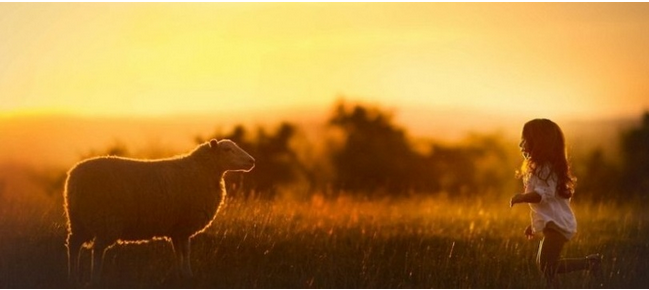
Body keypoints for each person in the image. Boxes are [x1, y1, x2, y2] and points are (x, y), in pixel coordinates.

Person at [510, 118, 601, 288]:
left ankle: (590, 263)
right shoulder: (539, 167)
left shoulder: (546, 168)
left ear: (538, 142)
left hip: (558, 224)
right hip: (552, 223)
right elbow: (545, 205)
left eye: (525, 139)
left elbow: (544, 194)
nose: (521, 143)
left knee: (547, 266)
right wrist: (534, 224)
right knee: (545, 266)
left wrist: (522, 197)